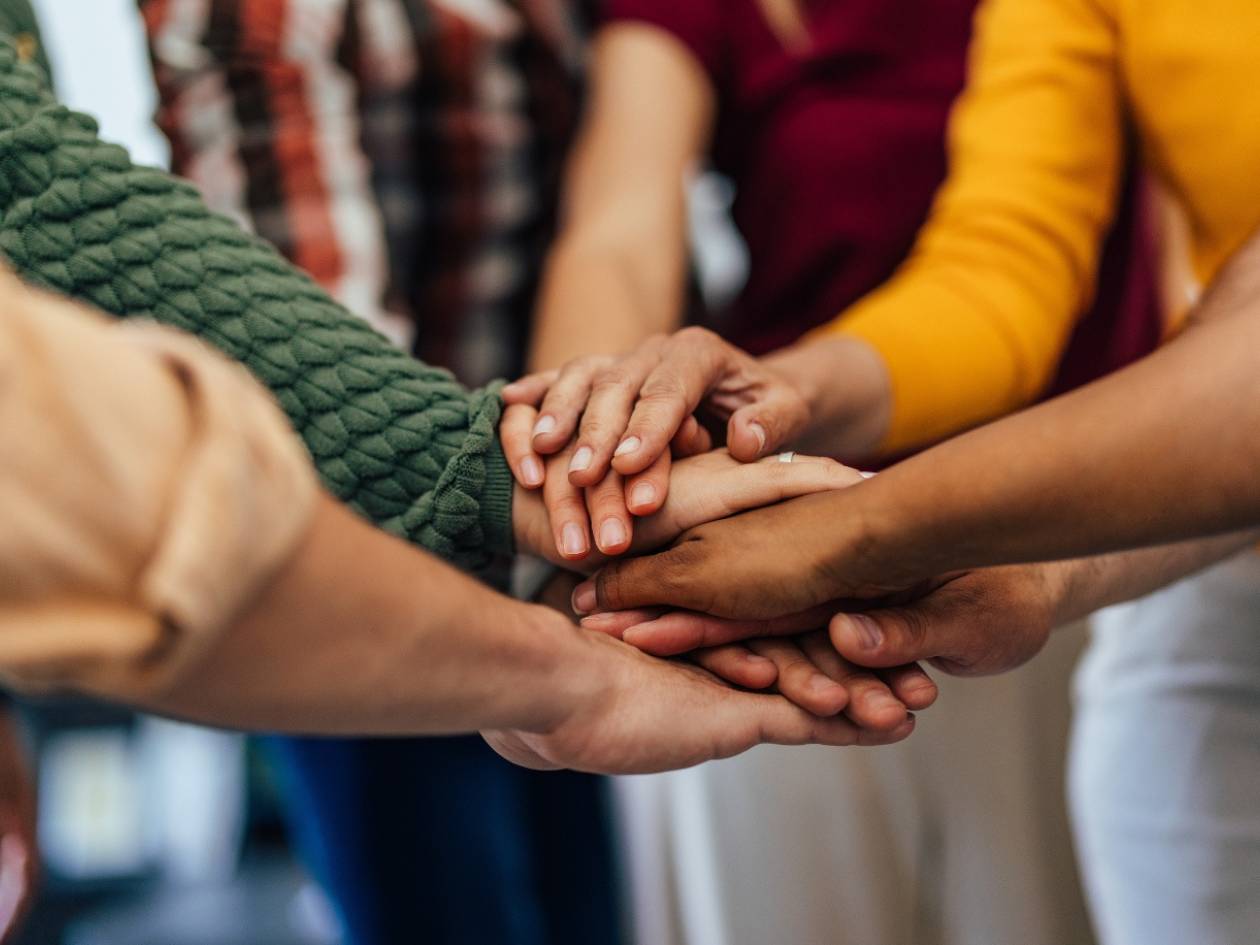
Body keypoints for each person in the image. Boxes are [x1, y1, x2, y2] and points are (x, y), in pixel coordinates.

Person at [509, 0, 1260, 938]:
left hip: (1091, 513)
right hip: (1171, 551)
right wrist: (770, 396)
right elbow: (1002, 260)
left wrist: (858, 531)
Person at [134, 0, 613, 937]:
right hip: (374, 556)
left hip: (561, 553)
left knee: (583, 911)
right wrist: (558, 494)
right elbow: (312, 348)